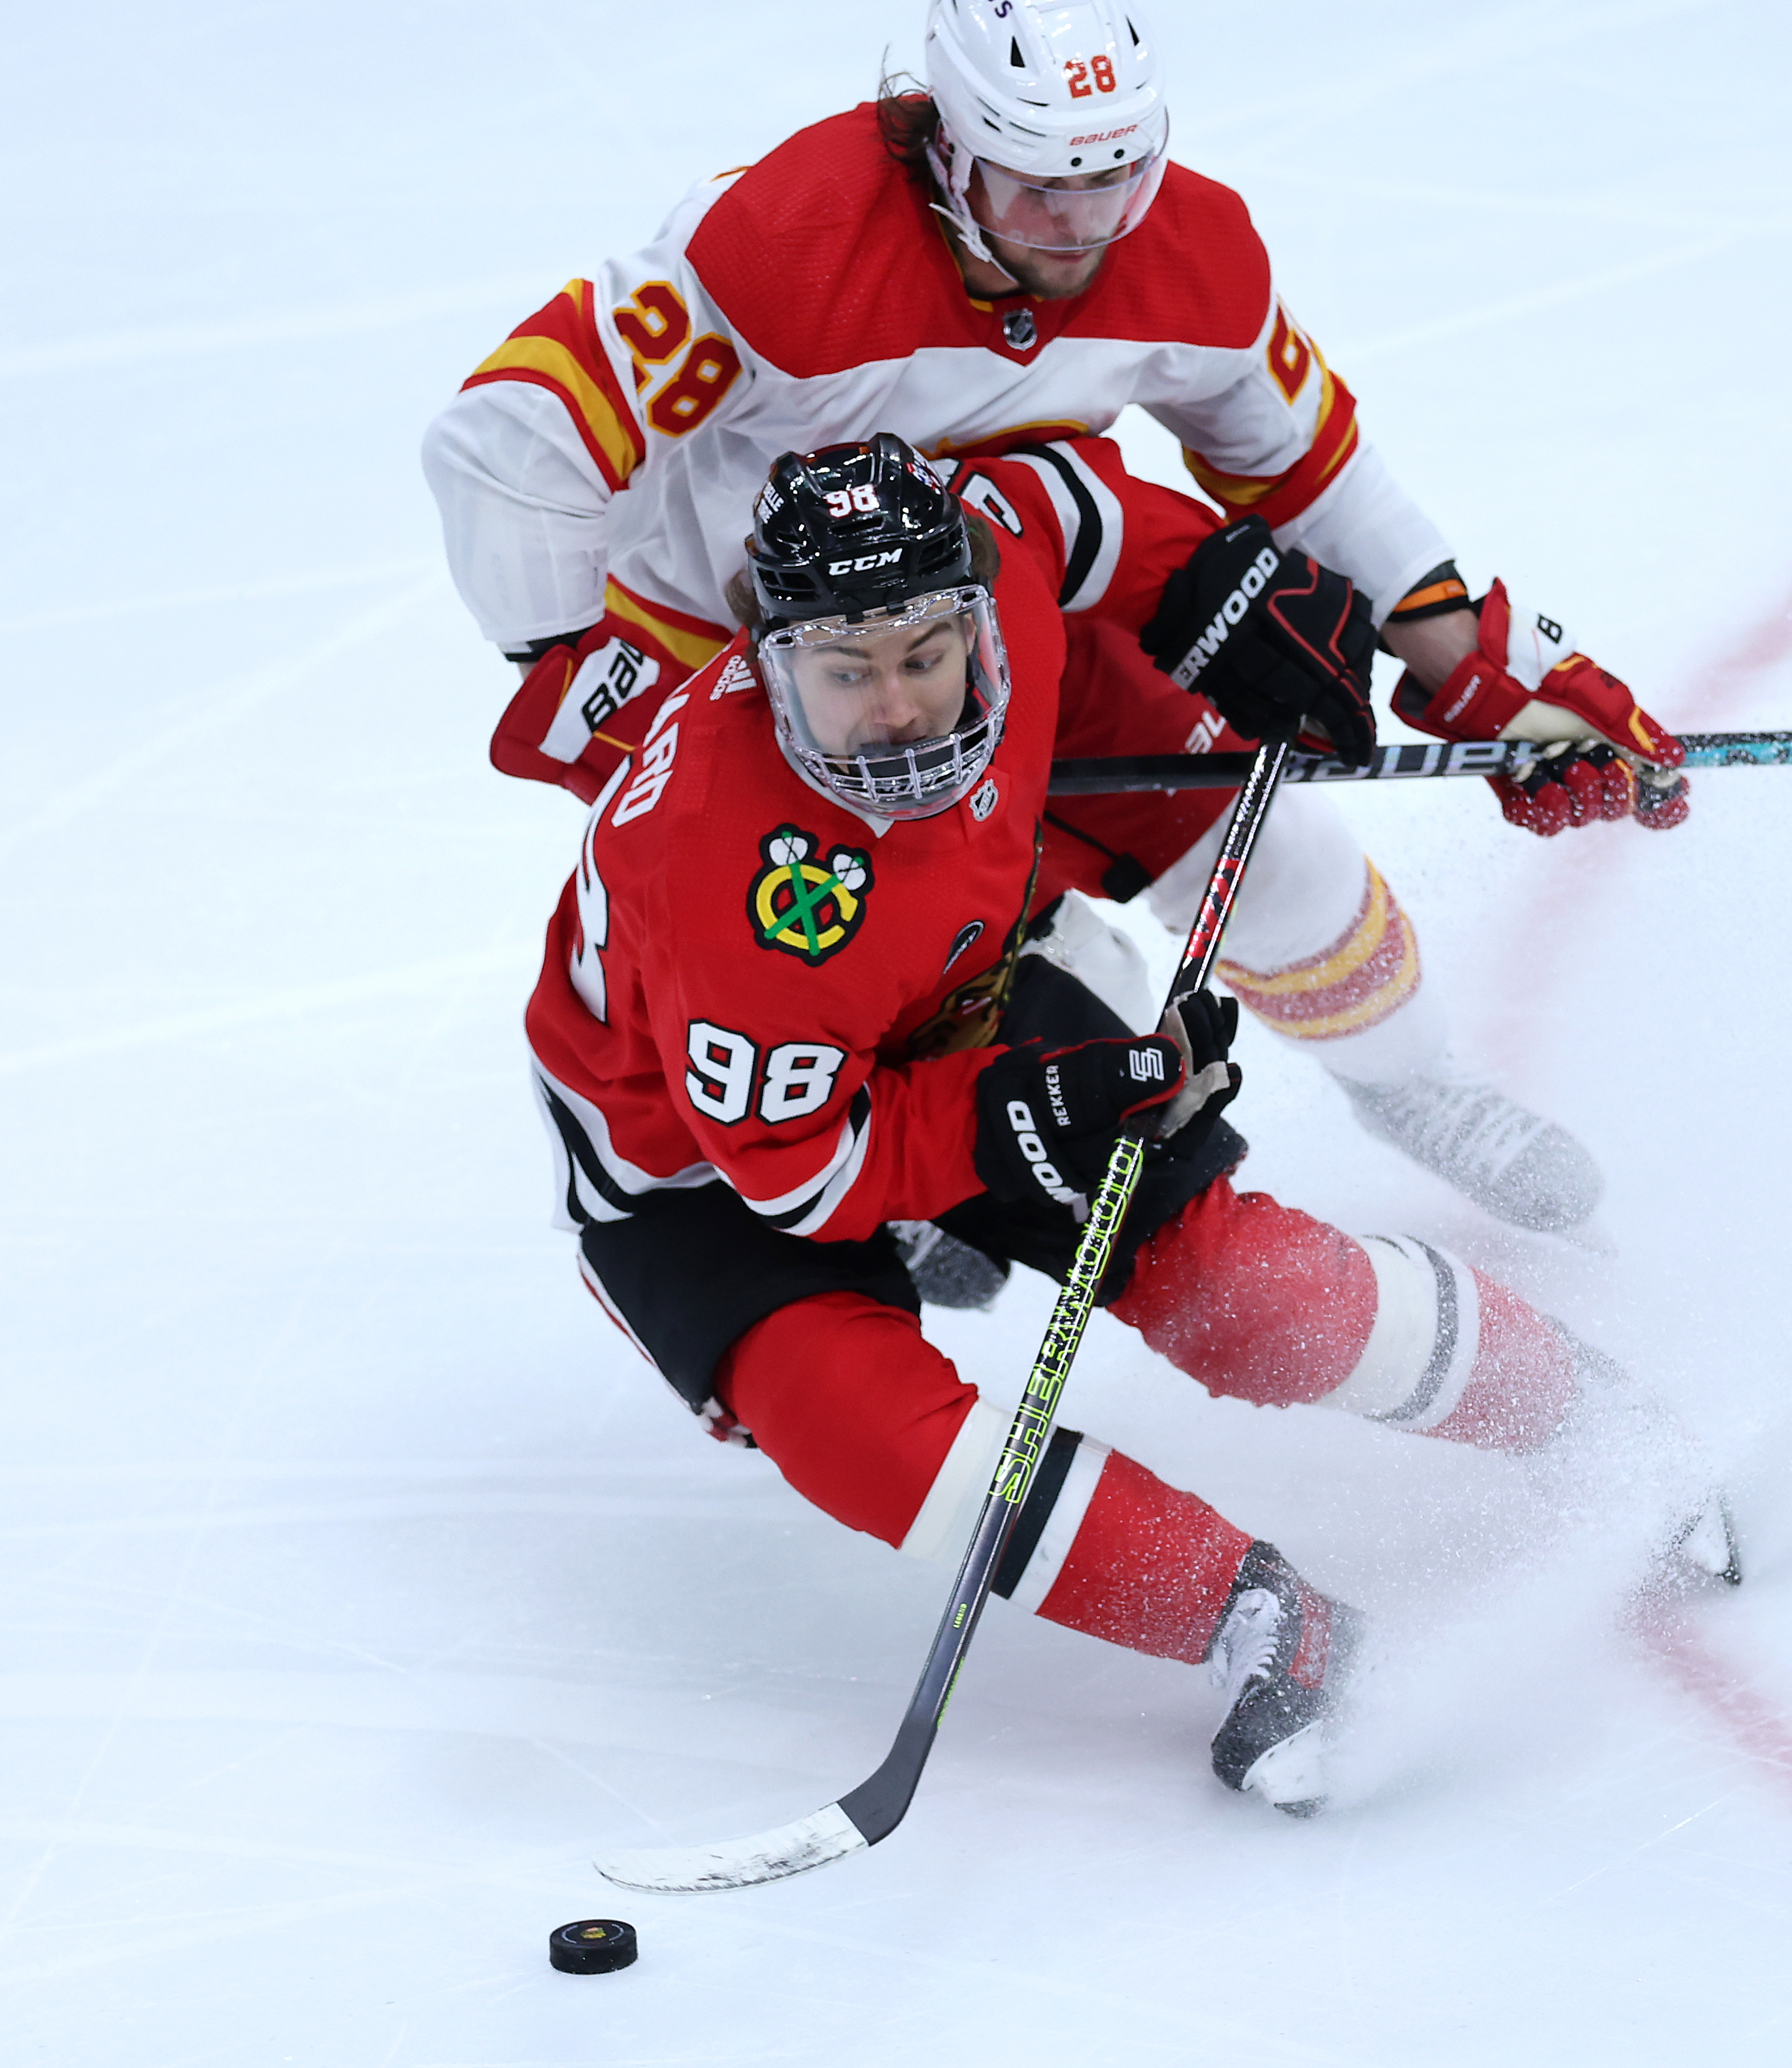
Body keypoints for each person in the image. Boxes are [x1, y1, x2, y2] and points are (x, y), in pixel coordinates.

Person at [431, 0, 1695, 1256]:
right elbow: (506, 453)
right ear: (940, 140)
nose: (1082, 233)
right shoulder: (779, 251)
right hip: (786, 687)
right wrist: (614, 714)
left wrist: (1483, 665)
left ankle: (1417, 1085)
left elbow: (1302, 461)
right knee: (892, 953)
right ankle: (928, 1142)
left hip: (1032, 619)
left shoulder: (1189, 247)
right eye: (1037, 190)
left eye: (1115, 181)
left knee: (1272, 850)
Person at [531, 433, 1698, 1814]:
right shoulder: (723, 871)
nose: (898, 710)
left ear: (972, 609)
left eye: (922, 652)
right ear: (768, 661)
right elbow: (807, 1176)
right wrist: (1031, 1112)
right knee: (872, 1439)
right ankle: (1265, 1620)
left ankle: (1601, 1424)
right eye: (843, 674)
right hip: (705, 1170)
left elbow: (1060, 507)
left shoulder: (1001, 579)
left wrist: (1215, 582)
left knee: (1243, 1298)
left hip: (950, 1008)